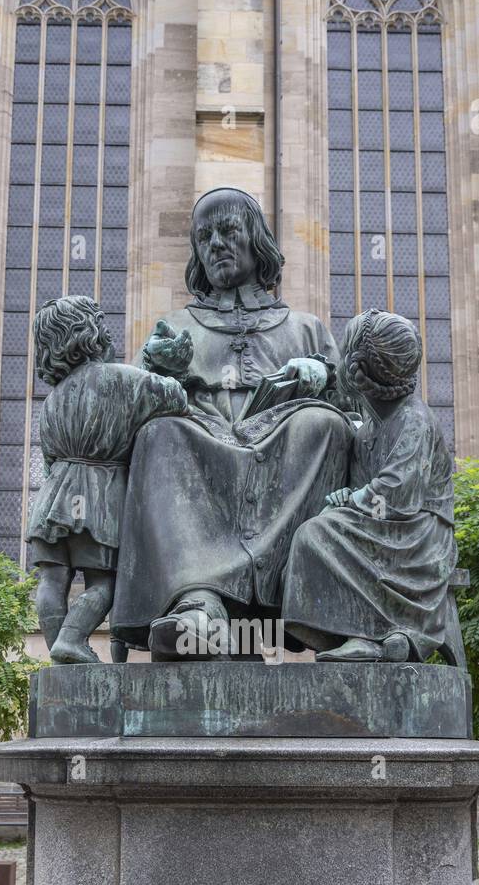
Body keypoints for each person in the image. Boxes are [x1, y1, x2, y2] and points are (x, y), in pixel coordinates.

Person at [109, 188, 355, 659]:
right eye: (204, 236)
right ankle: (200, 601)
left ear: (255, 238)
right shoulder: (175, 325)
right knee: (159, 434)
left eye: (228, 230)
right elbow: (126, 412)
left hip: (283, 464)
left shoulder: (304, 327)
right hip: (200, 454)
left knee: (325, 426)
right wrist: (158, 372)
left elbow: (361, 412)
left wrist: (323, 377)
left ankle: (286, 593)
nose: (216, 243)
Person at [281, 309, 457, 663]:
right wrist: (350, 496)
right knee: (315, 534)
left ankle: (368, 632)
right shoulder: (369, 429)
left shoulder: (413, 420)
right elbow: (365, 486)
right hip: (384, 525)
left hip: (417, 535)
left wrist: (355, 502)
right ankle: (364, 635)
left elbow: (396, 492)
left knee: (315, 535)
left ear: (357, 372)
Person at [26, 295, 187, 663]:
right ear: (90, 331)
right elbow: (175, 398)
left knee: (52, 579)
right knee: (105, 581)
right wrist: (164, 364)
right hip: (98, 493)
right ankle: (73, 637)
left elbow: (50, 459)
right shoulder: (118, 377)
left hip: (53, 497)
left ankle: (58, 650)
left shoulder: (52, 400)